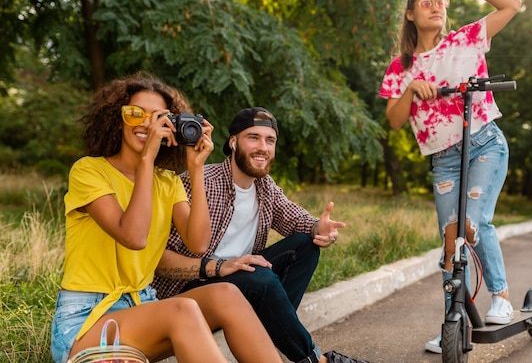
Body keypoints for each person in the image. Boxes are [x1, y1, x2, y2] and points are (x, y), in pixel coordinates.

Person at [50, 73, 282, 363]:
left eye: (158, 116)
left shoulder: (167, 182)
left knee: (227, 294)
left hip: (142, 309)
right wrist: (147, 159)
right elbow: (133, 236)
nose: (146, 123)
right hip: (86, 323)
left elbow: (198, 244)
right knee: (181, 310)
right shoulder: (89, 171)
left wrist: (196, 168)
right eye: (135, 114)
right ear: (117, 119)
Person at [151, 107, 370, 363]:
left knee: (305, 245)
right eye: (253, 137)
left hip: (243, 280)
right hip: (191, 287)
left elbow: (296, 220)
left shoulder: (265, 187)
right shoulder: (199, 181)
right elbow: (158, 261)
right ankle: (316, 360)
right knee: (261, 277)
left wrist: (318, 229)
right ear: (233, 142)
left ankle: (267, 335)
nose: (263, 147)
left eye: (270, 140)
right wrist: (220, 267)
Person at [378, 0, 522, 354]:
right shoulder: (401, 67)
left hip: (484, 144)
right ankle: (452, 325)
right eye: (425, 2)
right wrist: (412, 89)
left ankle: (501, 297)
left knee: (473, 224)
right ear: (410, 14)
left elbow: (513, 4)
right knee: (449, 240)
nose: (435, 5)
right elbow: (394, 121)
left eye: (440, 1)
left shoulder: (466, 39)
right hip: (444, 161)